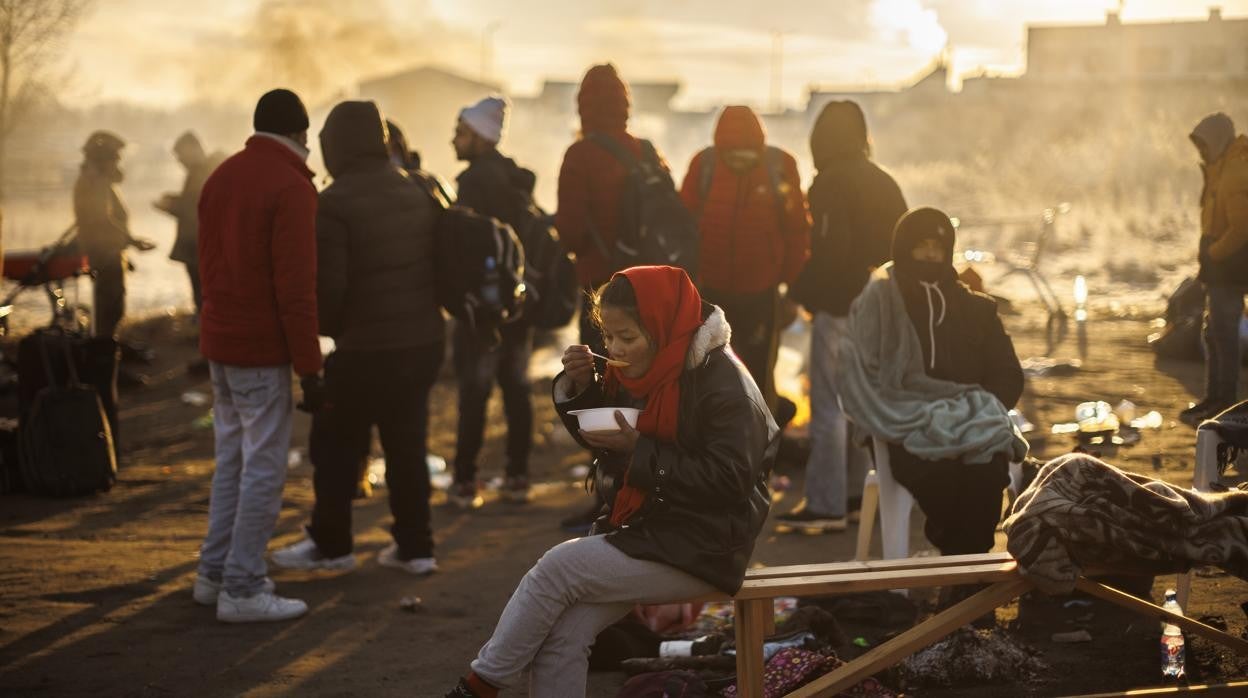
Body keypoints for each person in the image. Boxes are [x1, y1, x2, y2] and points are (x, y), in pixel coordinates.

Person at [445, 265, 777, 698]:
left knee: (556, 570)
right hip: (656, 531)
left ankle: (479, 686)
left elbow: (728, 479)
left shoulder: (724, 384)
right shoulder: (659, 365)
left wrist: (638, 450)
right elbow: (610, 438)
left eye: (628, 337)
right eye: (609, 337)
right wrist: (583, 387)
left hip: (705, 547)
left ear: (662, 325)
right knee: (562, 637)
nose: (616, 348)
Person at [270, 100, 446, 577]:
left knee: (336, 444)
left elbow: (329, 288)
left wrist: (327, 332)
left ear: (334, 146)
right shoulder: (417, 189)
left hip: (367, 347)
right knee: (407, 445)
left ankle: (333, 545)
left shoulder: (334, 201)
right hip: (424, 342)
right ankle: (417, 548)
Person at [193, 88, 321, 623]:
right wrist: (310, 367)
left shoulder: (221, 175)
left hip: (220, 343)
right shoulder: (291, 187)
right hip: (260, 350)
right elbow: (297, 289)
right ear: (299, 134)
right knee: (264, 468)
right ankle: (243, 588)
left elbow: (206, 266)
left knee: (232, 461)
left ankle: (214, 573)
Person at [838, 208, 1025, 557]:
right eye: (920, 246)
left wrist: (980, 408)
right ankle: (966, 576)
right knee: (940, 476)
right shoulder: (881, 303)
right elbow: (862, 373)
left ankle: (965, 574)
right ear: (903, 248)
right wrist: (913, 411)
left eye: (937, 248)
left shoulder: (977, 309)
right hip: (907, 425)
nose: (929, 255)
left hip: (974, 418)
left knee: (987, 471)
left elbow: (1008, 373)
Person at [555, 64, 676, 533]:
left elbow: (568, 230)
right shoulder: (647, 152)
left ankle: (611, 496)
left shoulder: (580, 155)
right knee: (646, 391)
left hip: (602, 297)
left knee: (602, 395)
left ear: (584, 106)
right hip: (651, 299)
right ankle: (649, 486)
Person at [779, 100, 908, 533]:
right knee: (858, 405)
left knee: (829, 406)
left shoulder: (830, 184)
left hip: (841, 308)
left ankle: (825, 503)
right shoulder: (884, 182)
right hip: (883, 308)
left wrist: (797, 294)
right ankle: (856, 496)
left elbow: (828, 254)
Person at [678, 104, 810, 413]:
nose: (740, 163)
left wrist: (790, 291)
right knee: (723, 377)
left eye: (747, 157)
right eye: (733, 156)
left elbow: (797, 232)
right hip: (712, 295)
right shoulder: (705, 165)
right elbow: (682, 227)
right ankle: (738, 448)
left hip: (756, 295)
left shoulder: (780, 166)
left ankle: (756, 450)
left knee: (749, 377)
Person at [447, 96, 538, 508]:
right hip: (518, 305)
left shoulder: (473, 182)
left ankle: (466, 481)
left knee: (475, 392)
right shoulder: (514, 178)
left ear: (482, 138)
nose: (454, 139)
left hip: (483, 309)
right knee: (516, 391)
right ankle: (517, 477)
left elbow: (461, 248)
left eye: (461, 132)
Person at [1180, 112, 1248, 427]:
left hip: (1229, 268)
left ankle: (1224, 402)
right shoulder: (1221, 167)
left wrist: (1215, 254)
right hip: (1219, 268)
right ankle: (1215, 398)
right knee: (1214, 334)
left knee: (1224, 335)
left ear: (1217, 141)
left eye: (1204, 145)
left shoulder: (1234, 171)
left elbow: (1241, 226)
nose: (1201, 151)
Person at [73, 131, 155, 339]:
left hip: (109, 253)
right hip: (105, 255)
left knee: (111, 309)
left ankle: (109, 360)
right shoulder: (95, 182)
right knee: (109, 311)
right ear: (103, 160)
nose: (118, 164)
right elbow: (102, 220)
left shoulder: (99, 181)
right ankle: (103, 363)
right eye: (115, 158)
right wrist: (132, 241)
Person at [154, 131, 224, 316]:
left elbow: (194, 207)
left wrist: (169, 205)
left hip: (199, 245)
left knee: (203, 292)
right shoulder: (206, 170)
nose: (180, 161)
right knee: (204, 292)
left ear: (193, 149)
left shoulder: (202, 172)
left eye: (181, 155)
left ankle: (205, 330)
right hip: (201, 244)